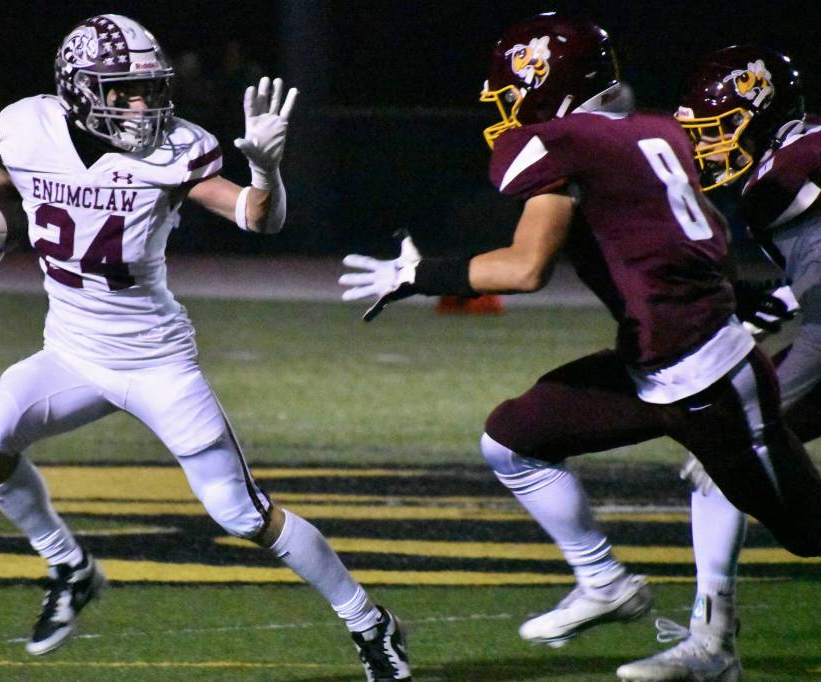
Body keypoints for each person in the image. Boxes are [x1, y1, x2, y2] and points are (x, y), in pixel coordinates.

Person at [339, 11, 821, 666]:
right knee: (512, 439)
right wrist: (752, 302)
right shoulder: (654, 132)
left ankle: (712, 646)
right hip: (656, 359)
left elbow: (525, 268)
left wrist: (419, 275)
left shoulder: (564, 143)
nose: (506, 111)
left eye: (511, 93)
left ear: (542, 85)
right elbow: (701, 247)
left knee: (806, 530)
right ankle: (605, 582)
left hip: (708, 372)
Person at [0, 14, 411, 680]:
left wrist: (268, 171)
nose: (143, 105)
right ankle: (71, 568)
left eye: (149, 89)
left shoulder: (175, 149)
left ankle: (371, 623)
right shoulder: (24, 126)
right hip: (70, 353)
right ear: (78, 91)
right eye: (123, 91)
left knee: (242, 514)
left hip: (156, 363)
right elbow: (7, 185)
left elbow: (256, 217)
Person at [617, 46, 821, 682]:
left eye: (717, 130)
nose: (705, 149)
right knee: (723, 450)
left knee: (727, 441)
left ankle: (713, 644)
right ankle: (712, 639)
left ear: (762, 115)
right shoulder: (800, 154)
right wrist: (785, 298)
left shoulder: (787, 174)